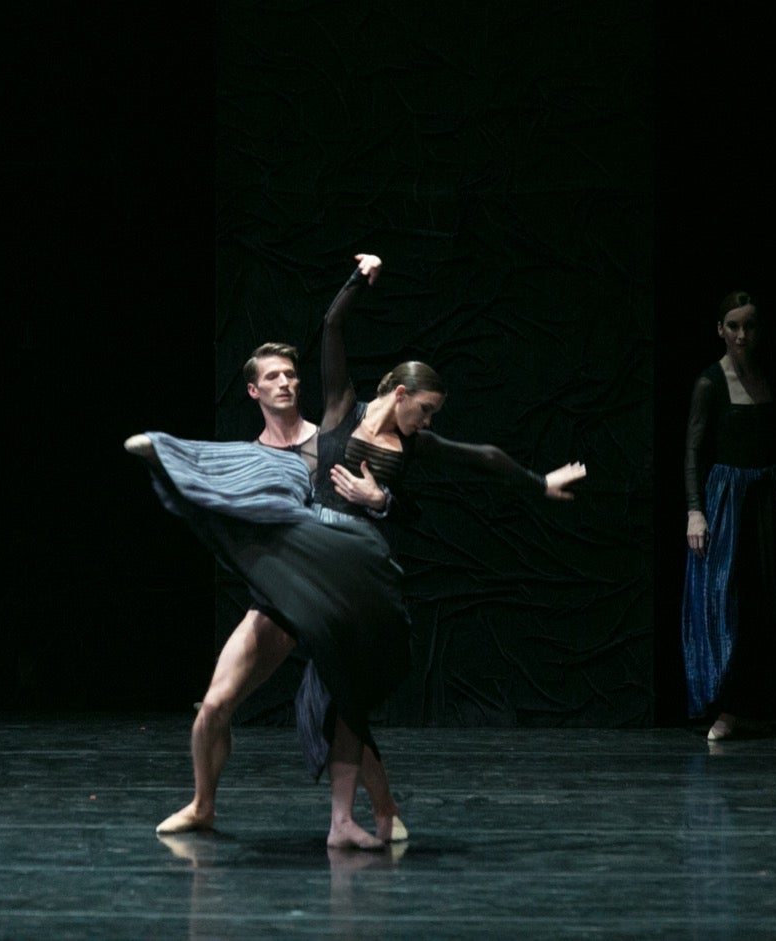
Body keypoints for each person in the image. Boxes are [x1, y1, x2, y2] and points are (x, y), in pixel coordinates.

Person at [141, 255, 585, 847]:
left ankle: (365, 814)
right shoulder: (333, 416)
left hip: (348, 570)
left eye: (288, 376)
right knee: (220, 703)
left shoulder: (373, 438)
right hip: (297, 574)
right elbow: (332, 329)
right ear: (400, 393)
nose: (426, 422)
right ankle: (208, 805)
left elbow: (481, 458)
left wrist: (531, 484)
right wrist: (359, 279)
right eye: (424, 410)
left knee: (348, 692)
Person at [681, 291, 776, 741]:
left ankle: (757, 706)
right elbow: (694, 452)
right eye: (734, 325)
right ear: (720, 330)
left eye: (750, 326)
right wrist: (695, 511)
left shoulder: (772, 377)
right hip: (728, 498)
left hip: (769, 496)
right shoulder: (709, 382)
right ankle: (729, 706)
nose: (742, 334)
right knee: (729, 601)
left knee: (769, 603)